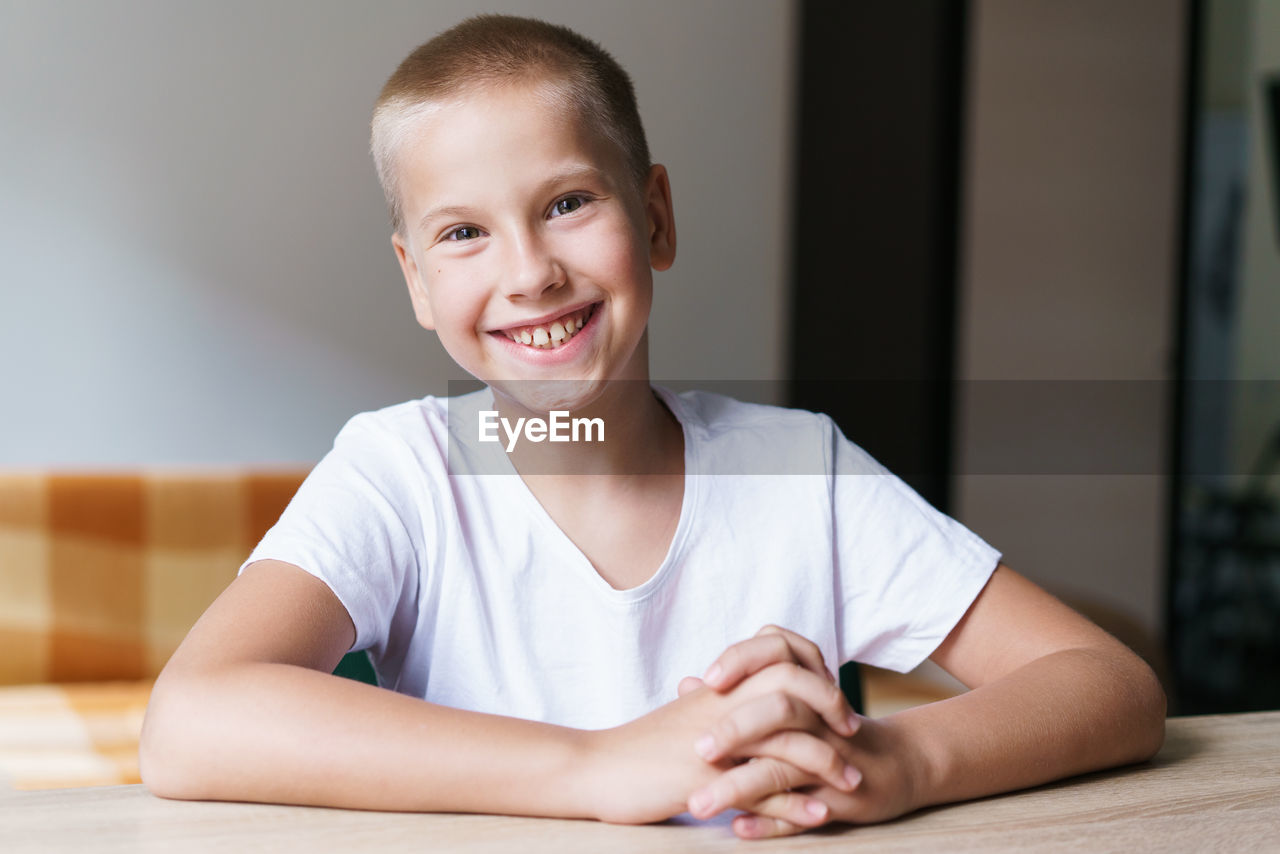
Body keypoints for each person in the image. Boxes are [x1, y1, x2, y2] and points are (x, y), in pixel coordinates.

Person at [139, 14, 1166, 840]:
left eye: (569, 202)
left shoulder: (798, 470)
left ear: (656, 217)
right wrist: (598, 764)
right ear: (415, 278)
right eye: (463, 233)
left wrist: (896, 759)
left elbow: (1108, 682)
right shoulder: (399, 472)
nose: (529, 271)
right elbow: (189, 719)